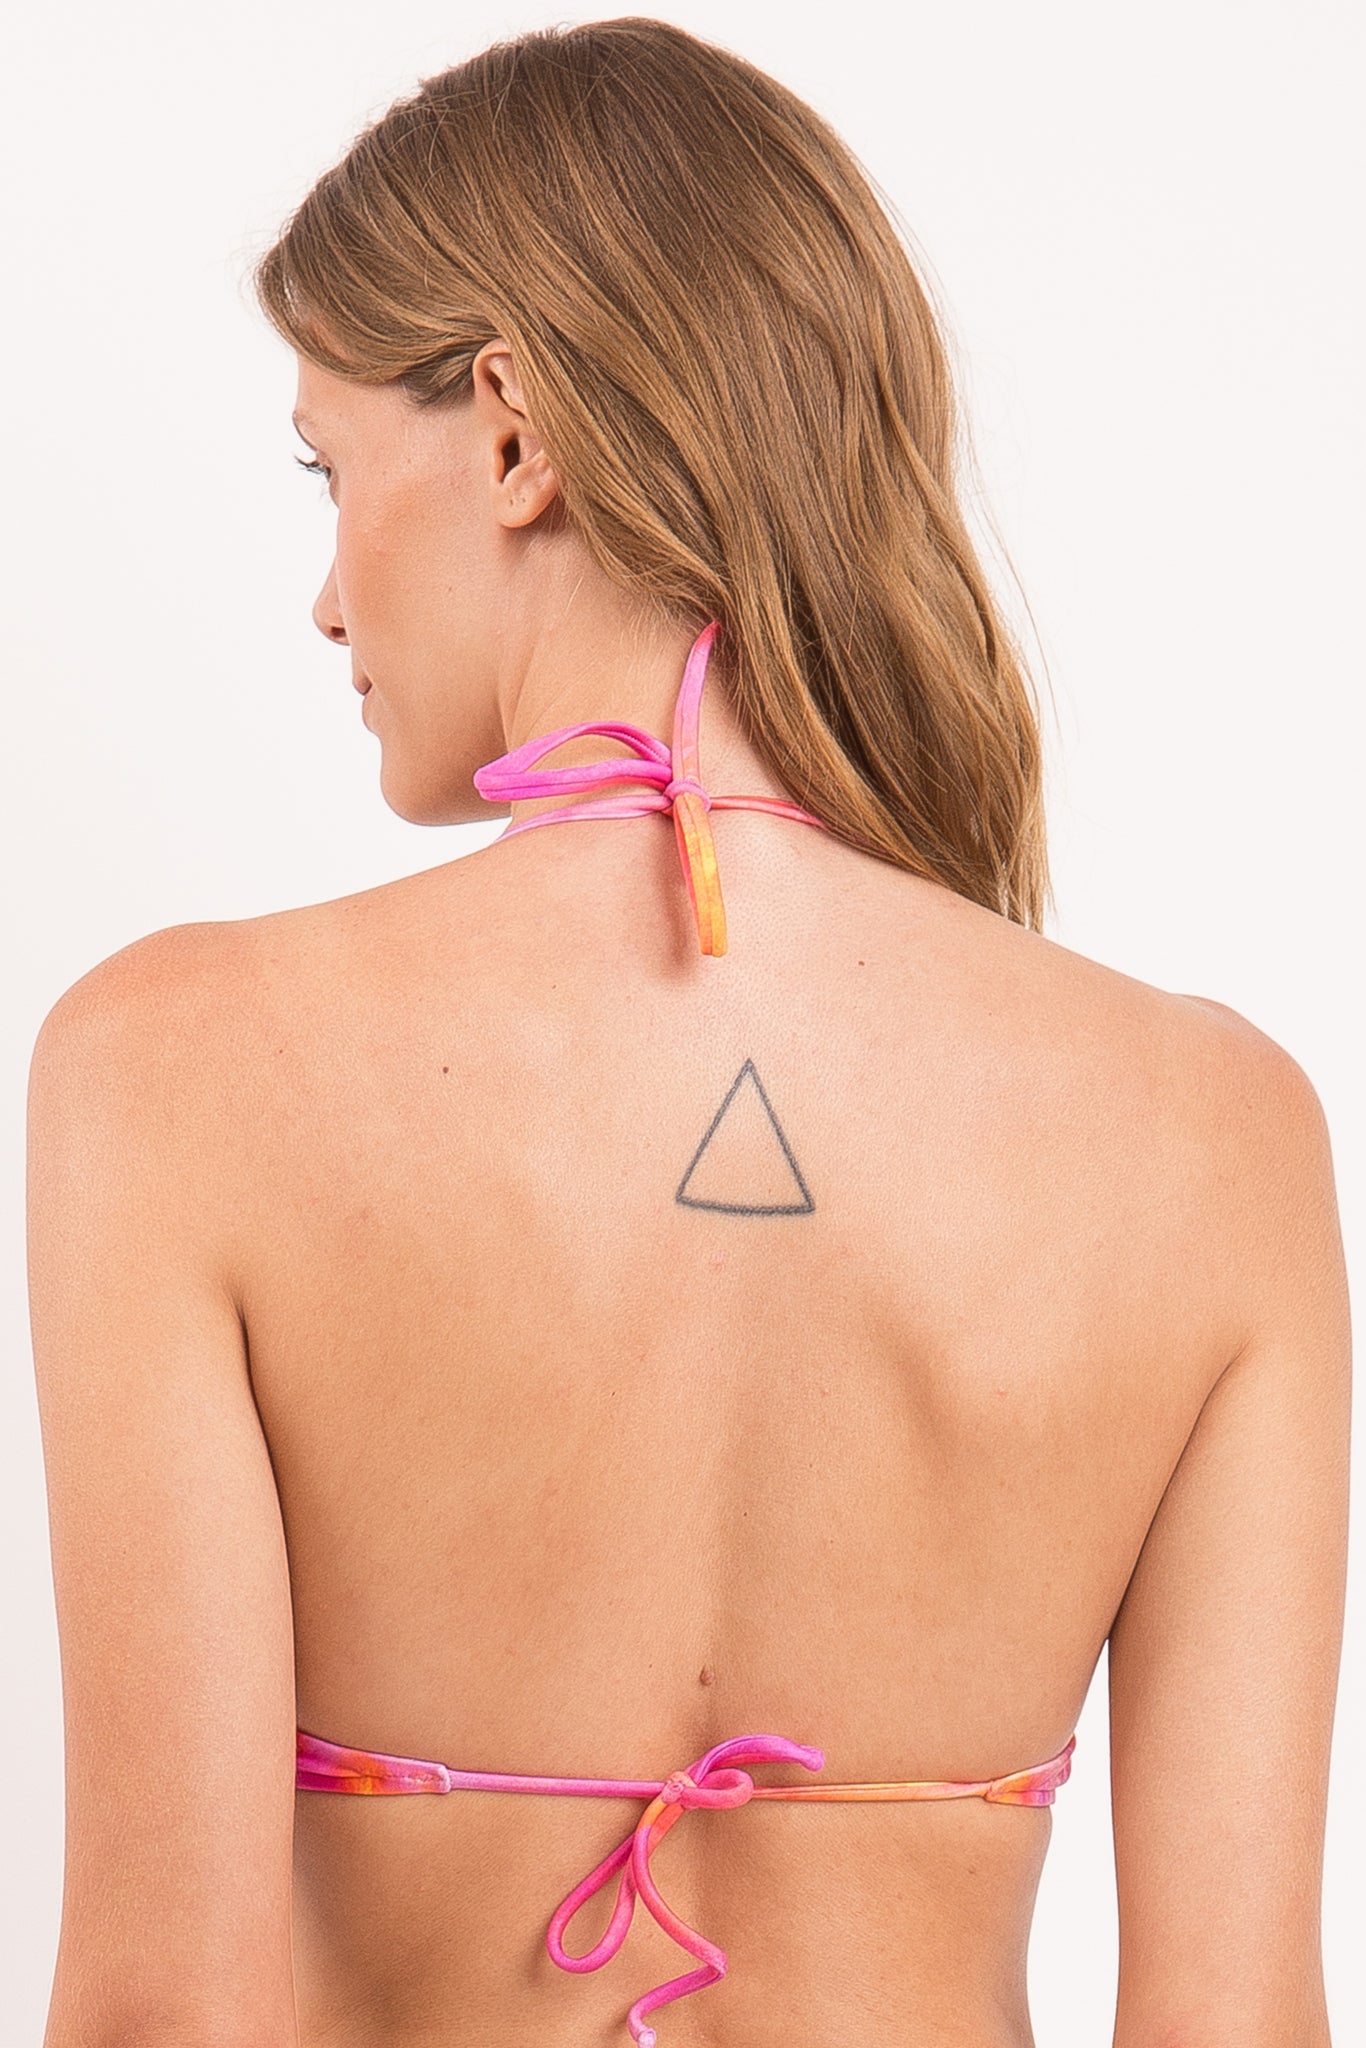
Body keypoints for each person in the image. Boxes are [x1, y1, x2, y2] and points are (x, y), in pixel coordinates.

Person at [27, 18, 1348, 2048]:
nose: (323, 599)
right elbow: (1231, 2022)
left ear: (508, 432)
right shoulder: (1215, 1133)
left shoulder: (172, 1071)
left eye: (327, 468)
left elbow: (160, 2016)